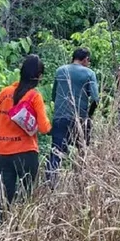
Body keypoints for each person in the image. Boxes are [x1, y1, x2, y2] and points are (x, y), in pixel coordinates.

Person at [0, 55, 51, 222]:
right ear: (39, 76)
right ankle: (23, 227)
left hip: (1, 152)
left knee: (1, 198)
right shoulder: (34, 96)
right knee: (28, 197)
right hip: (26, 153)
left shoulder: (4, 93)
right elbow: (44, 128)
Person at [47, 48, 99, 184]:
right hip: (79, 118)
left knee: (56, 152)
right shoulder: (89, 73)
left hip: (60, 117)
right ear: (86, 59)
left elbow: (54, 96)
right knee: (82, 152)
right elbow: (95, 99)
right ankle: (81, 183)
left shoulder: (60, 71)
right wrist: (88, 116)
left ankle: (51, 184)